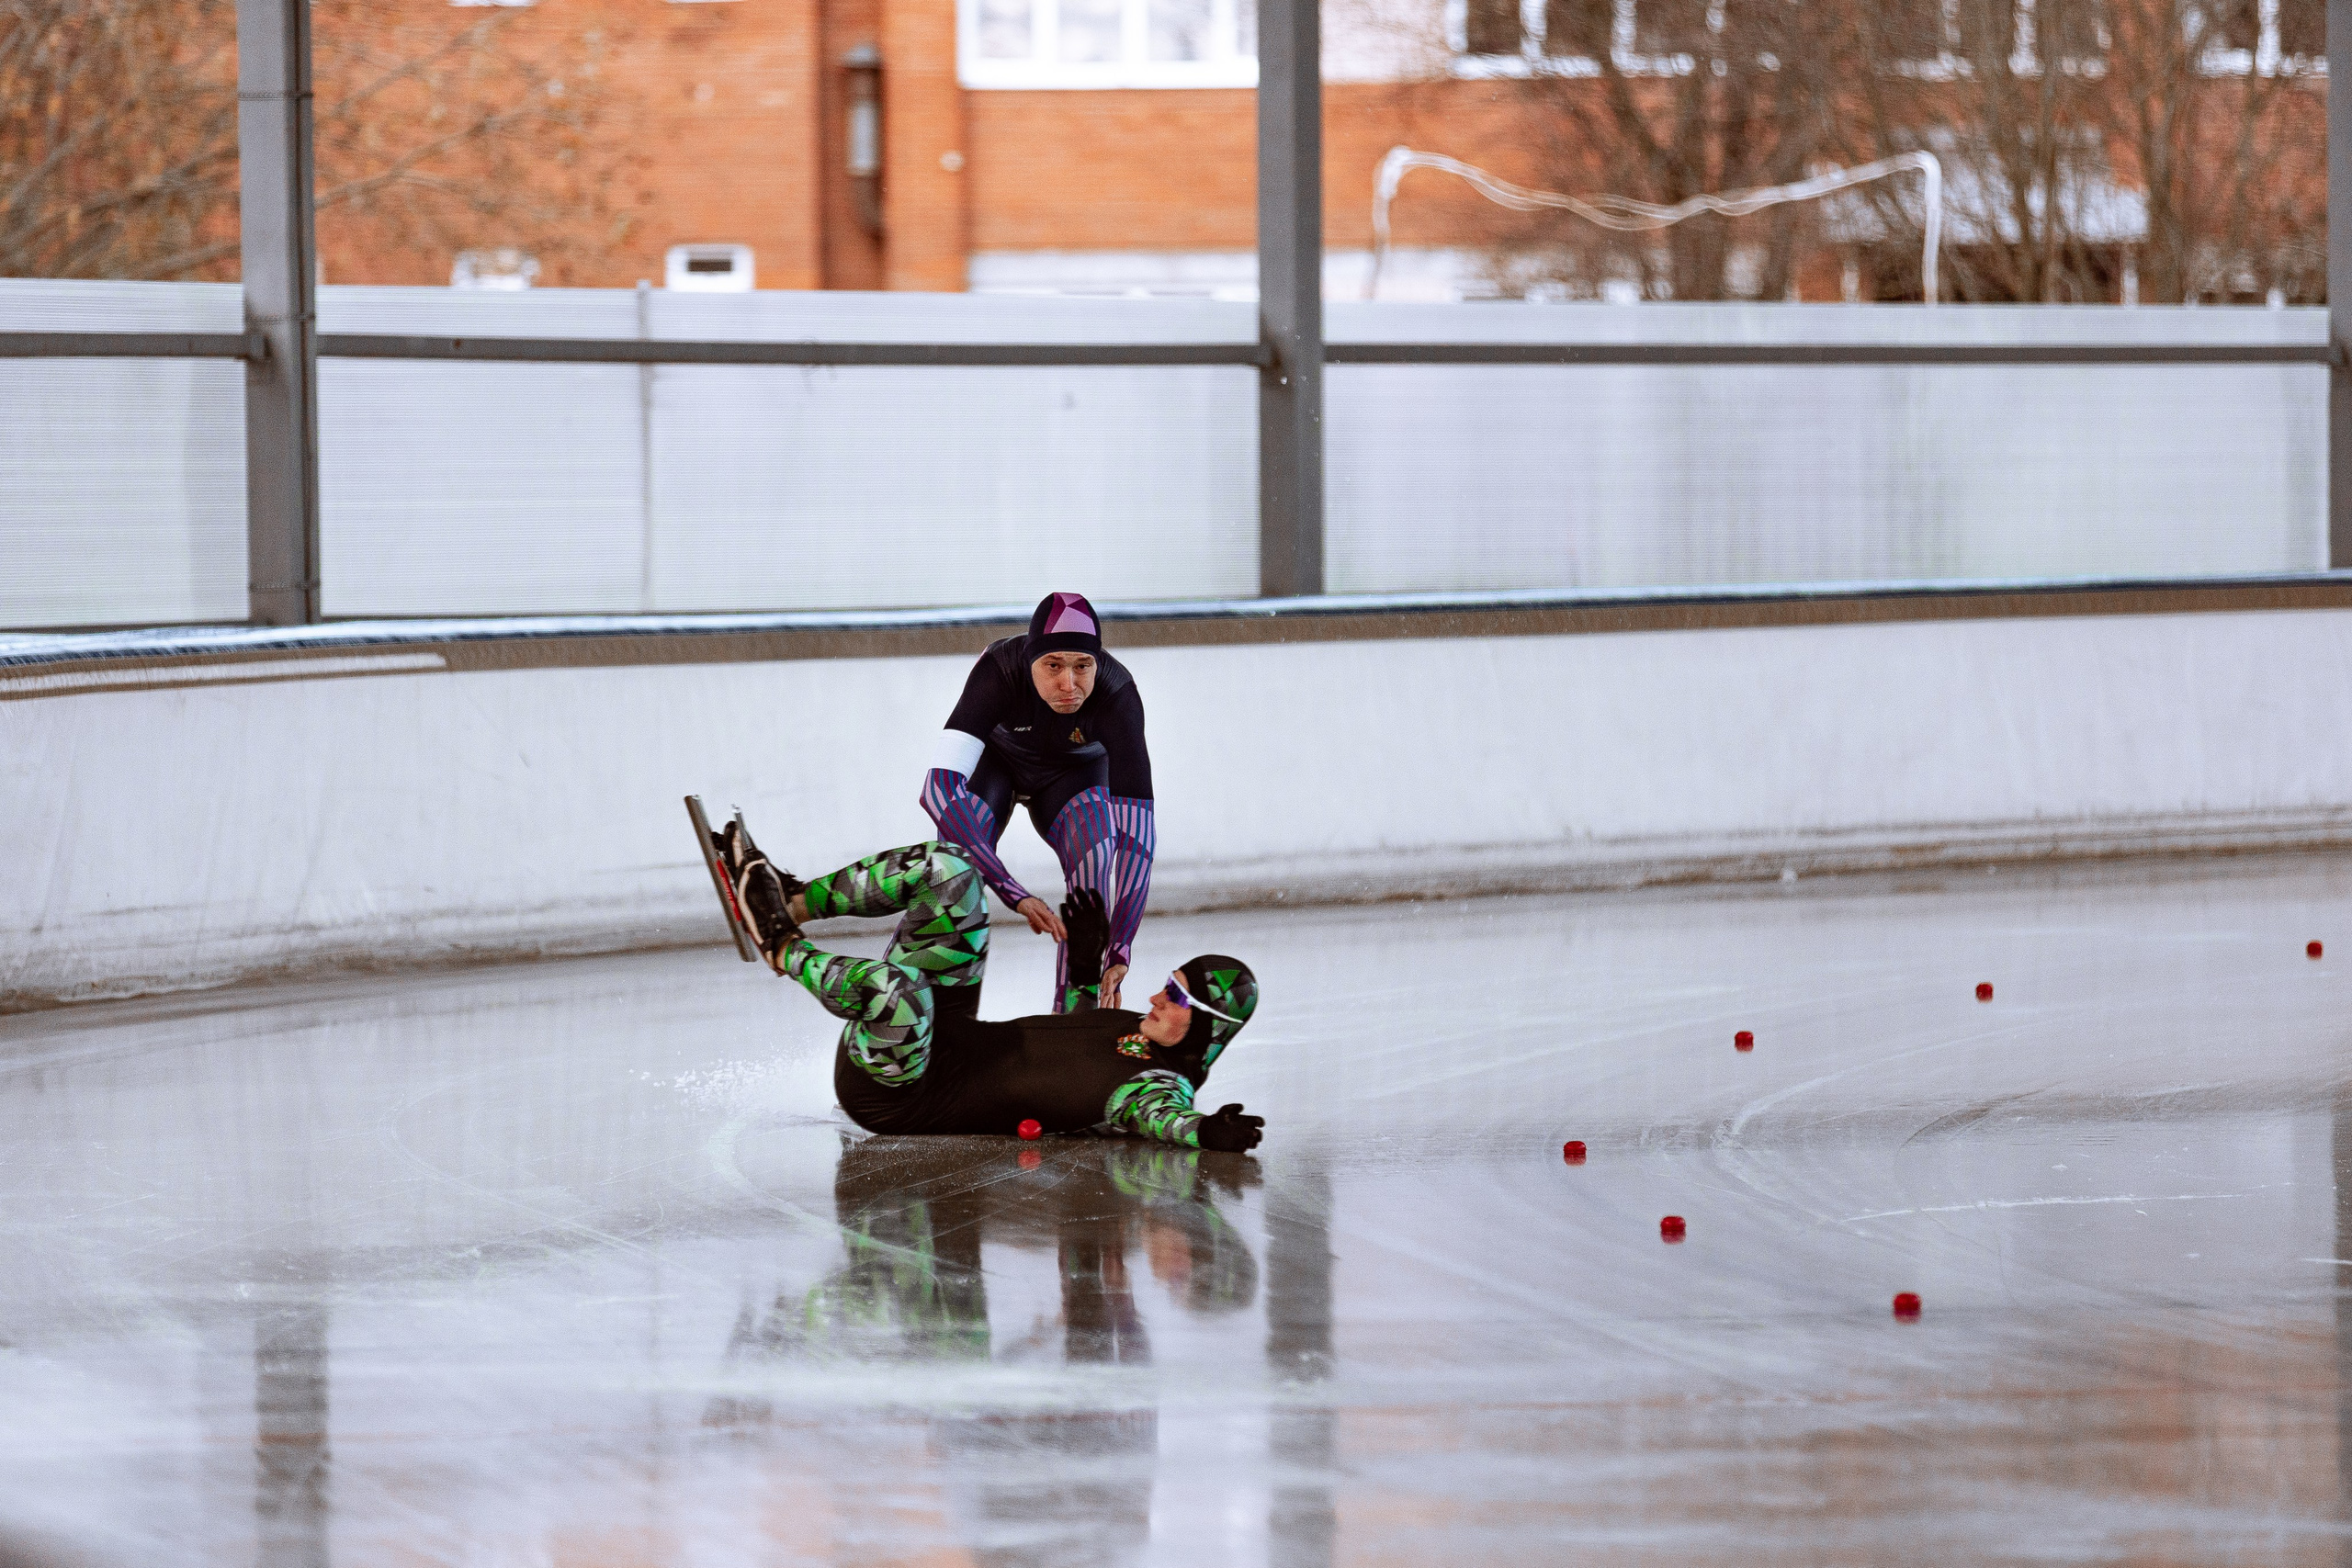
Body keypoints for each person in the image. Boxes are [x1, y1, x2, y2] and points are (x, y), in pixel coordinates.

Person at [714, 822, 1264, 1152]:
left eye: (1175, 997)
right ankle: (792, 902)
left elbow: (1168, 1121)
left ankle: (779, 944)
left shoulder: (1154, 1090)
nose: (1154, 997)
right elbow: (1069, 1036)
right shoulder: (1139, 1033)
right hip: (944, 1028)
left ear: (1210, 1026)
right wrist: (1085, 965)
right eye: (1167, 983)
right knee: (952, 871)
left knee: (896, 989)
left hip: (898, 1089)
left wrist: (1206, 1134)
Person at [921, 592, 1154, 1010]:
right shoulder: (999, 670)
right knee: (953, 863)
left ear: (1097, 663)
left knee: (1097, 859)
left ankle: (1078, 1013)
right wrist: (1013, 891)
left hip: (1073, 777)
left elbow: (1137, 840)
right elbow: (937, 791)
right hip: (998, 764)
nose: (1069, 685)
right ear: (1030, 662)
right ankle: (922, 1002)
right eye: (1053, 666)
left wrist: (1120, 945)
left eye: (1083, 666)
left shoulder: (1118, 695)